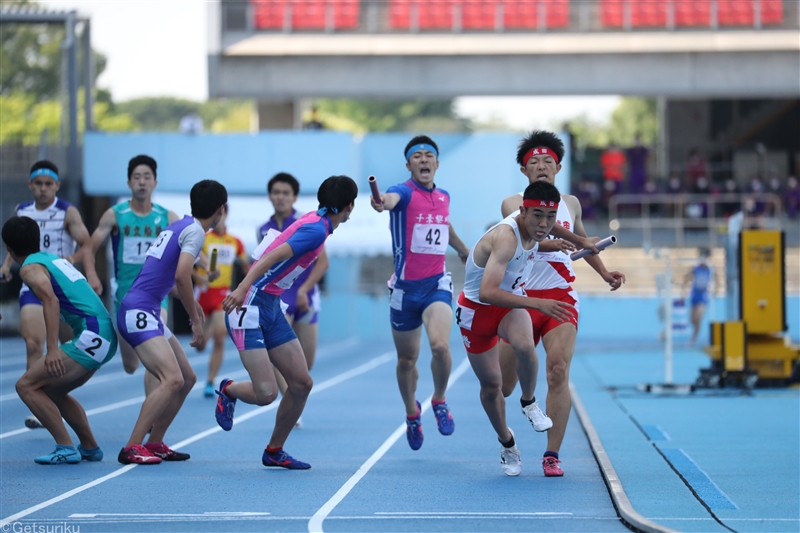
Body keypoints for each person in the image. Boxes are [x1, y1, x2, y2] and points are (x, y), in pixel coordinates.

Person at [499, 130, 626, 478]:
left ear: (557, 167)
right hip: (521, 298)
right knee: (503, 385)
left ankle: (551, 454)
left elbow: (585, 247)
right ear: (525, 171)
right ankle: (508, 438)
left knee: (558, 370)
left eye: (548, 162)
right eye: (534, 162)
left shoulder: (571, 204)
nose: (541, 166)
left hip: (560, 297)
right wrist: (550, 244)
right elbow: (522, 240)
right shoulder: (512, 203)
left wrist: (603, 273)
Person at [217, 176, 358, 470]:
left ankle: (274, 451)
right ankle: (228, 390)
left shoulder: (317, 220)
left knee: (302, 383)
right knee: (266, 393)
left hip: (271, 306)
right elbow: (272, 255)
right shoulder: (317, 230)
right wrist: (242, 288)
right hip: (251, 305)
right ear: (350, 207)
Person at [456, 181, 575, 476]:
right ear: (522, 212)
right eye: (537, 216)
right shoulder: (506, 237)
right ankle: (507, 443)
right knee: (492, 388)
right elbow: (486, 292)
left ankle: (529, 402)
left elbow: (540, 240)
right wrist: (538, 303)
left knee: (525, 347)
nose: (544, 224)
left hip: (509, 305)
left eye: (550, 218)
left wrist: (565, 243)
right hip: (477, 312)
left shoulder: (537, 233)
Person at [116, 180, 227, 465]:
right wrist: (195, 319)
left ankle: (154, 442)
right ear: (220, 210)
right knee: (172, 378)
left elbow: (166, 278)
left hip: (146, 309)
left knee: (187, 378)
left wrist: (194, 306)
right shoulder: (195, 232)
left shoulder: (177, 226)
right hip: (139, 311)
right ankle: (132, 445)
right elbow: (181, 276)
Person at [370, 135, 471, 451]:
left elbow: (445, 225)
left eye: (429, 155)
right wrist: (380, 201)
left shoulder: (443, 196)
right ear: (409, 164)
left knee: (440, 346)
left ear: (437, 163)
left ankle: (439, 399)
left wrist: (464, 250)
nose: (424, 160)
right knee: (406, 360)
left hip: (436, 284)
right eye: (418, 156)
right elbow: (388, 200)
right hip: (403, 290)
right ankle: (412, 413)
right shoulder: (403, 192)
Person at [2, 216, 117, 464]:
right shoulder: (51, 259)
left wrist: (52, 349)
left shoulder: (30, 268)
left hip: (93, 333)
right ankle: (89, 446)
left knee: (26, 386)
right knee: (52, 390)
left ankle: (65, 447)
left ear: (9, 249)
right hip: (102, 332)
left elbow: (51, 300)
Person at [0, 160, 93, 430]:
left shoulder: (67, 212)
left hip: (61, 289)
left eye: (48, 184)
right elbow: (16, 245)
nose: (42, 189)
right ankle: (39, 402)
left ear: (57, 186)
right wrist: (7, 265)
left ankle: (58, 395)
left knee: (66, 346)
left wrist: (72, 259)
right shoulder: (22, 210)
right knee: (33, 343)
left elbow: (86, 243)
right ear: (30, 185)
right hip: (32, 284)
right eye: (38, 184)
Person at [84, 155, 180, 376]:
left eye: (147, 177)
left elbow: (190, 247)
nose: (142, 182)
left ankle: (156, 403)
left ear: (155, 182)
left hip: (156, 295)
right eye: (137, 177)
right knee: (131, 365)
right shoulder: (115, 215)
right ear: (129, 183)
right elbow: (90, 247)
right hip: (125, 296)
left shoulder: (167, 217)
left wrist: (204, 269)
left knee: (158, 357)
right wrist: (92, 274)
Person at [257, 173, 329, 427]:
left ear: (294, 197)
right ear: (269, 196)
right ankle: (289, 407)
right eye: (276, 192)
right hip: (279, 297)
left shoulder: (306, 222)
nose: (280, 197)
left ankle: (292, 398)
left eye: (285, 193)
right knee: (281, 357)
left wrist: (305, 289)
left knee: (305, 364)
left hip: (306, 296)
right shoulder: (264, 229)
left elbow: (323, 262)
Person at [195, 205, 250, 397]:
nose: (219, 218)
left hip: (222, 295)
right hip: (202, 294)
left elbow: (247, 268)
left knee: (220, 337)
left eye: (222, 214)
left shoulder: (236, 242)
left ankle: (210, 381)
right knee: (200, 345)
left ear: (226, 214)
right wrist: (200, 278)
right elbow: (188, 268)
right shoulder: (203, 239)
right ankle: (205, 334)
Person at [683, 247, 716, 346]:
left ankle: (693, 338)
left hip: (703, 297)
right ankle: (695, 333)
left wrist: (716, 290)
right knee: (692, 320)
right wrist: (683, 291)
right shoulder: (695, 268)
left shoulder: (710, 269)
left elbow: (716, 279)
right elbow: (687, 278)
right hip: (694, 296)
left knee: (698, 318)